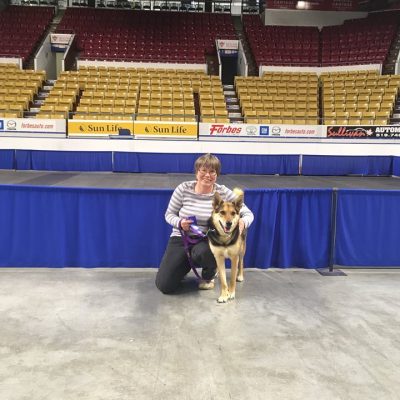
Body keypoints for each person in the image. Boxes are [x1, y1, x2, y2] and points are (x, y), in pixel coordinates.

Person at [155, 153, 254, 294]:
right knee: (165, 286)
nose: (207, 175)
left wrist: (244, 222)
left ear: (217, 174)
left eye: (212, 171)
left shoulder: (223, 192)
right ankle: (181, 267)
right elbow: (168, 215)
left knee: (208, 252)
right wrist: (180, 222)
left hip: (207, 240)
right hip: (181, 238)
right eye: (203, 171)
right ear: (197, 172)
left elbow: (248, 213)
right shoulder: (183, 189)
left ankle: (208, 275)